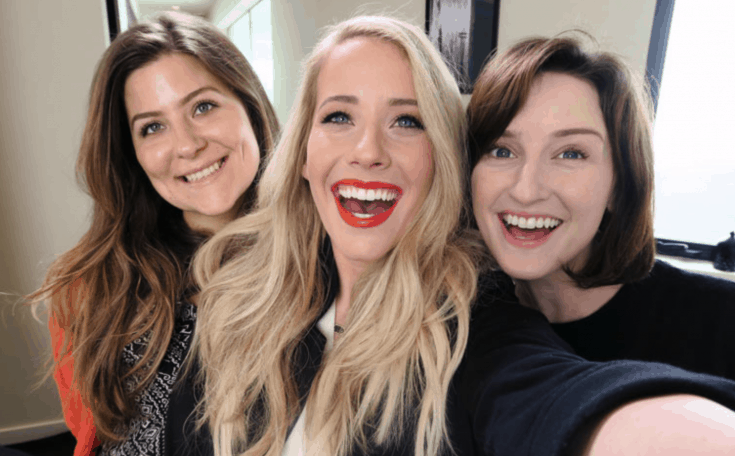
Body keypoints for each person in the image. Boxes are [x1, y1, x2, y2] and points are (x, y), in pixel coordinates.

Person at [178, 16, 735, 456]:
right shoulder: (247, 303)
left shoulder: (471, 328)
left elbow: (540, 390)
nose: (526, 188)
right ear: (302, 151)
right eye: (502, 150)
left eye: (407, 120)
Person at [26, 12, 279, 456]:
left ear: (250, 106)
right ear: (134, 153)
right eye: (153, 127)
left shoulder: (330, 255)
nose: (186, 145)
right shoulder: (92, 290)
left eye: (203, 106)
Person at [467, 35, 735, 382]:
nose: (526, 191)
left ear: (620, 184)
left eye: (571, 153)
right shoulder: (459, 319)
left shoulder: (721, 323)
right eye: (502, 151)